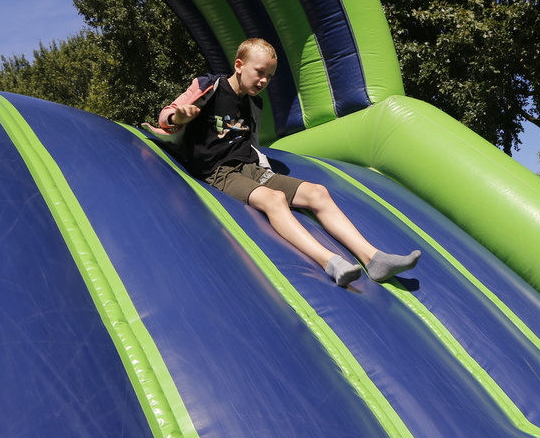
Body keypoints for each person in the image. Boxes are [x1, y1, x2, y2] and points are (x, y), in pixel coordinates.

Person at [152, 38, 420, 287]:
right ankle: (329, 261)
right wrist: (179, 118)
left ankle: (373, 258)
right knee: (275, 199)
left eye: (269, 76)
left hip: (250, 168)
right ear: (239, 65)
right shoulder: (209, 86)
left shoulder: (253, 104)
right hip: (218, 172)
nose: (263, 80)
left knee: (318, 192)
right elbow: (165, 115)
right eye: (259, 72)